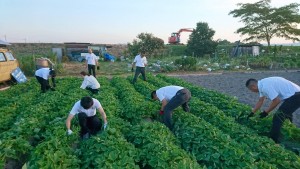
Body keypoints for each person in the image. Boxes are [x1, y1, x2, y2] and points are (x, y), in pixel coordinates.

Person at [246, 77, 300, 143]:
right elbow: (260, 101)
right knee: (285, 113)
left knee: (277, 117)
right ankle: (290, 131)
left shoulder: (265, 86)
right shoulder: (261, 85)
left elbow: (277, 101)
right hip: (294, 94)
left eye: (251, 90)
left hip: (296, 95)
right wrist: (252, 113)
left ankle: (273, 140)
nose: (252, 91)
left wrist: (266, 112)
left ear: (253, 86)